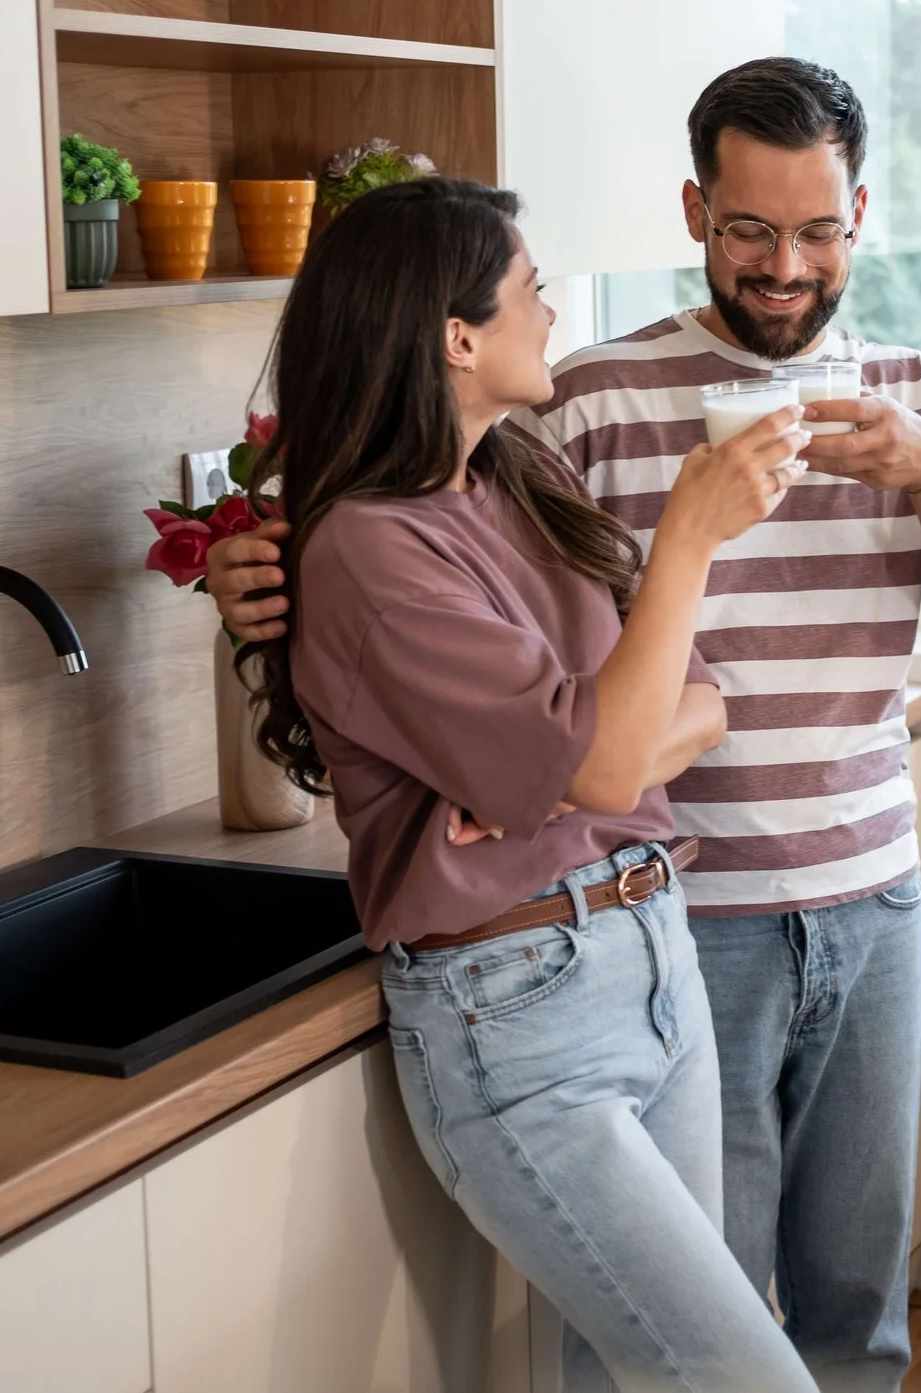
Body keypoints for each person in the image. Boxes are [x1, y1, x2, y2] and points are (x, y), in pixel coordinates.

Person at [216, 60, 921, 1391]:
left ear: (859, 215)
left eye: (817, 229)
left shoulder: (910, 393)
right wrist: (262, 564)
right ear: (696, 211)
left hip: (850, 897)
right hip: (678, 912)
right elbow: (407, 540)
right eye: (750, 228)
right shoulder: (579, 403)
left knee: (850, 1310)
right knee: (692, 1342)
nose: (784, 264)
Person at [244, 174, 820, 1393]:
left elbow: (700, 700)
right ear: (456, 335)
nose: (550, 313)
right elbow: (620, 747)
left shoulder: (516, 482)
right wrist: (684, 547)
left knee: (636, 1376)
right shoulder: (371, 548)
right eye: (531, 291)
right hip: (518, 1012)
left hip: (652, 949)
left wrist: (555, 775)